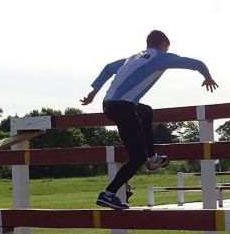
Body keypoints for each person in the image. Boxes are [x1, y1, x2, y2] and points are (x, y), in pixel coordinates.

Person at [80, 30, 218, 209]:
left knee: (146, 111)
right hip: (123, 107)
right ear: (163, 45)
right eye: (167, 48)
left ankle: (153, 158)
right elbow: (196, 63)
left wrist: (93, 93)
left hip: (109, 105)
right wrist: (207, 76)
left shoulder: (133, 58)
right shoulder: (160, 57)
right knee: (137, 158)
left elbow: (108, 68)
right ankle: (108, 193)